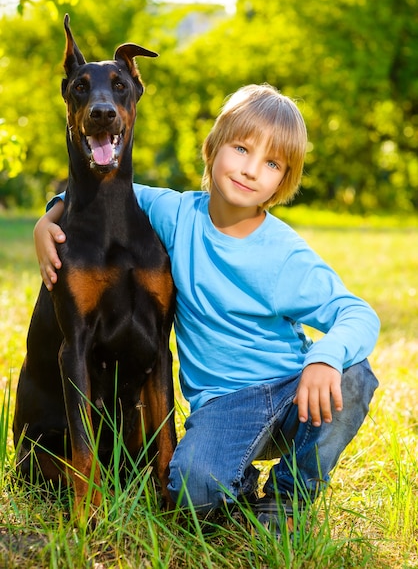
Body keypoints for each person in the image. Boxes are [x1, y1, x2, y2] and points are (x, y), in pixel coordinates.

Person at [34, 83, 380, 533]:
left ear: (284, 180)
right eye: (241, 148)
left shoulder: (284, 254)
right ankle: (235, 483)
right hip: (223, 408)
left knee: (355, 377)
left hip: (292, 393)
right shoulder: (176, 213)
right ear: (213, 147)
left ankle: (288, 498)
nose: (251, 170)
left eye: (271, 163)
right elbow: (103, 188)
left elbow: (358, 313)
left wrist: (325, 357)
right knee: (191, 495)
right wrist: (49, 217)